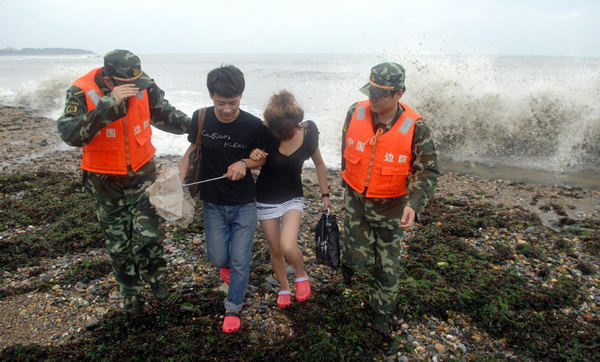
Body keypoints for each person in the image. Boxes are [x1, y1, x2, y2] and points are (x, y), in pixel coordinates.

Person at [56, 49, 191, 313]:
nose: (135, 88)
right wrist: (108, 105)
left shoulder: (142, 83)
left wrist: (197, 125)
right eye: (127, 84)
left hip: (143, 175)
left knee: (149, 238)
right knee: (119, 245)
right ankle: (132, 297)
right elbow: (70, 134)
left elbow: (163, 114)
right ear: (109, 81)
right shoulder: (80, 91)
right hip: (105, 182)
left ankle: (158, 287)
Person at [340, 62, 439, 335]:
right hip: (357, 202)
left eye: (380, 94)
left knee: (387, 265)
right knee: (356, 259)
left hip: (392, 207)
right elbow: (346, 148)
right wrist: (347, 183)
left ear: (399, 94)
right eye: (370, 91)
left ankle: (381, 312)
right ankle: (350, 266)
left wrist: (414, 205)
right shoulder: (355, 112)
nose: (372, 99)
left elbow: (428, 169)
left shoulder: (416, 127)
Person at [179, 65, 272, 333]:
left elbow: (263, 157)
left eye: (233, 102)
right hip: (212, 203)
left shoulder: (254, 125)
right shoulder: (200, 118)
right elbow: (193, 147)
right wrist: (182, 170)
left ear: (241, 96)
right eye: (221, 103)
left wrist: (244, 162)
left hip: (244, 203)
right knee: (219, 257)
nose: (228, 109)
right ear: (211, 96)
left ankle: (233, 307)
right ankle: (226, 267)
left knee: (241, 259)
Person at [249, 90, 332, 309]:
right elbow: (251, 156)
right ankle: (284, 286)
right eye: (276, 131)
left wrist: (325, 196)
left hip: (293, 197)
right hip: (266, 197)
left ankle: (301, 274)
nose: (280, 135)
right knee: (275, 249)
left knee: (287, 244)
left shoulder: (309, 132)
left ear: (297, 124)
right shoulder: (265, 132)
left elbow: (320, 164)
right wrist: (255, 154)